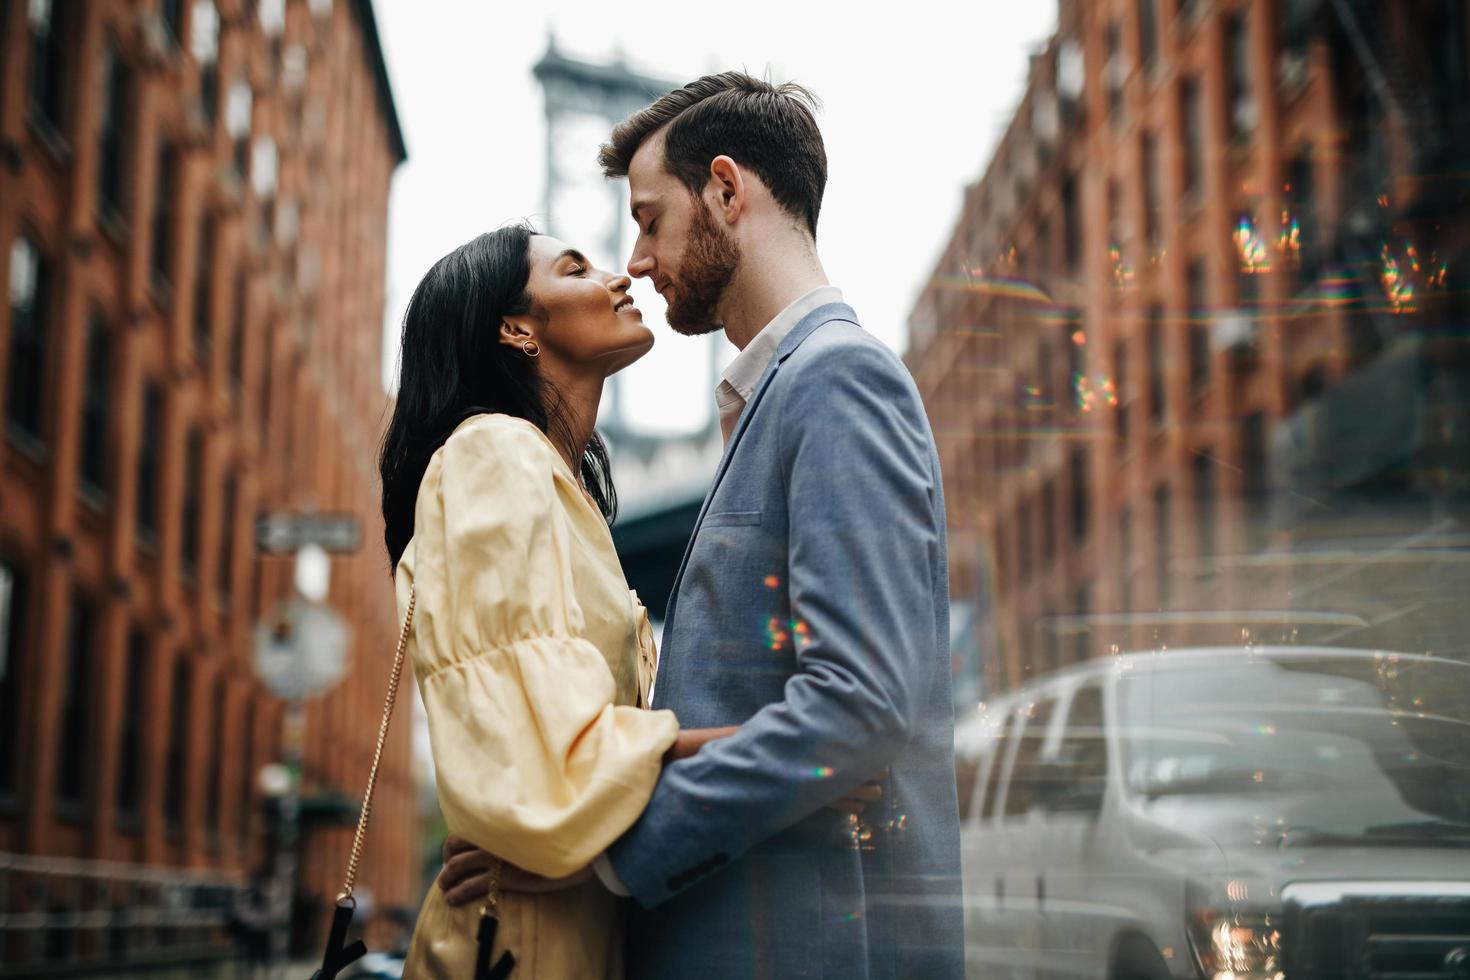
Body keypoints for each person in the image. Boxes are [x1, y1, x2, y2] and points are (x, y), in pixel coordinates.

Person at [439, 72, 964, 978]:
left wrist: (599, 855)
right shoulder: (775, 399)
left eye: (647, 219)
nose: (634, 261)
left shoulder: (838, 380)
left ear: (726, 190)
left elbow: (861, 708)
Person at [379, 225, 880, 978]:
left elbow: (552, 761)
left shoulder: (559, 489)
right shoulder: (493, 454)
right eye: (576, 268)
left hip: (567, 928)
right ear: (516, 327)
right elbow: (554, 770)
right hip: (522, 946)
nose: (621, 277)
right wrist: (802, 758)